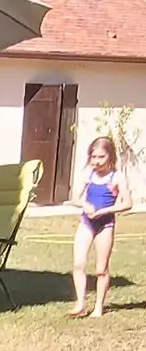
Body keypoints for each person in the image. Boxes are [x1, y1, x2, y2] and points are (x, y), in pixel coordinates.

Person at [70, 135, 130, 318]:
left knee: (101, 269)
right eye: (93, 157)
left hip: (105, 224)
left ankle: (98, 307)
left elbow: (127, 203)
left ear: (110, 157)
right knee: (78, 264)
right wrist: (84, 205)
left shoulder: (116, 177)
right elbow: (74, 198)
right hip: (86, 223)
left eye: (101, 157)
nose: (96, 161)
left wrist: (106, 210)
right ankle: (81, 304)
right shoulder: (87, 175)